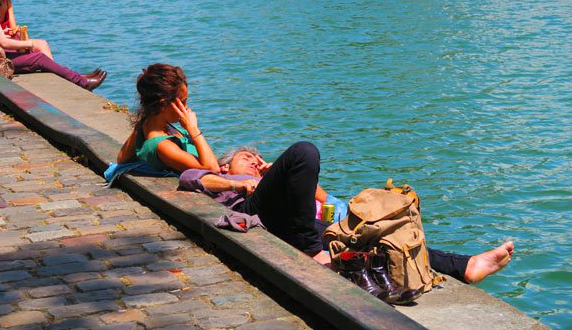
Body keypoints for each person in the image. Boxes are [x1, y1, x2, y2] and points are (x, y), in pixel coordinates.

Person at [179, 144, 515, 283]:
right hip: (257, 214)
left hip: (298, 223)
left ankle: (464, 265)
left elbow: (319, 194)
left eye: (256, 157)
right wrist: (243, 184)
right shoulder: (223, 179)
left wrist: (275, 178)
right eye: (245, 157)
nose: (253, 160)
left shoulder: (267, 177)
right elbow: (188, 177)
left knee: (373, 238)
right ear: (226, 165)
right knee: (303, 151)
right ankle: (313, 252)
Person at [117, 63, 219, 173]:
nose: (186, 108)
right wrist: (193, 129)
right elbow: (212, 169)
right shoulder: (163, 146)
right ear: (163, 105)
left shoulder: (147, 124)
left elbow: (122, 158)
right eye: (183, 102)